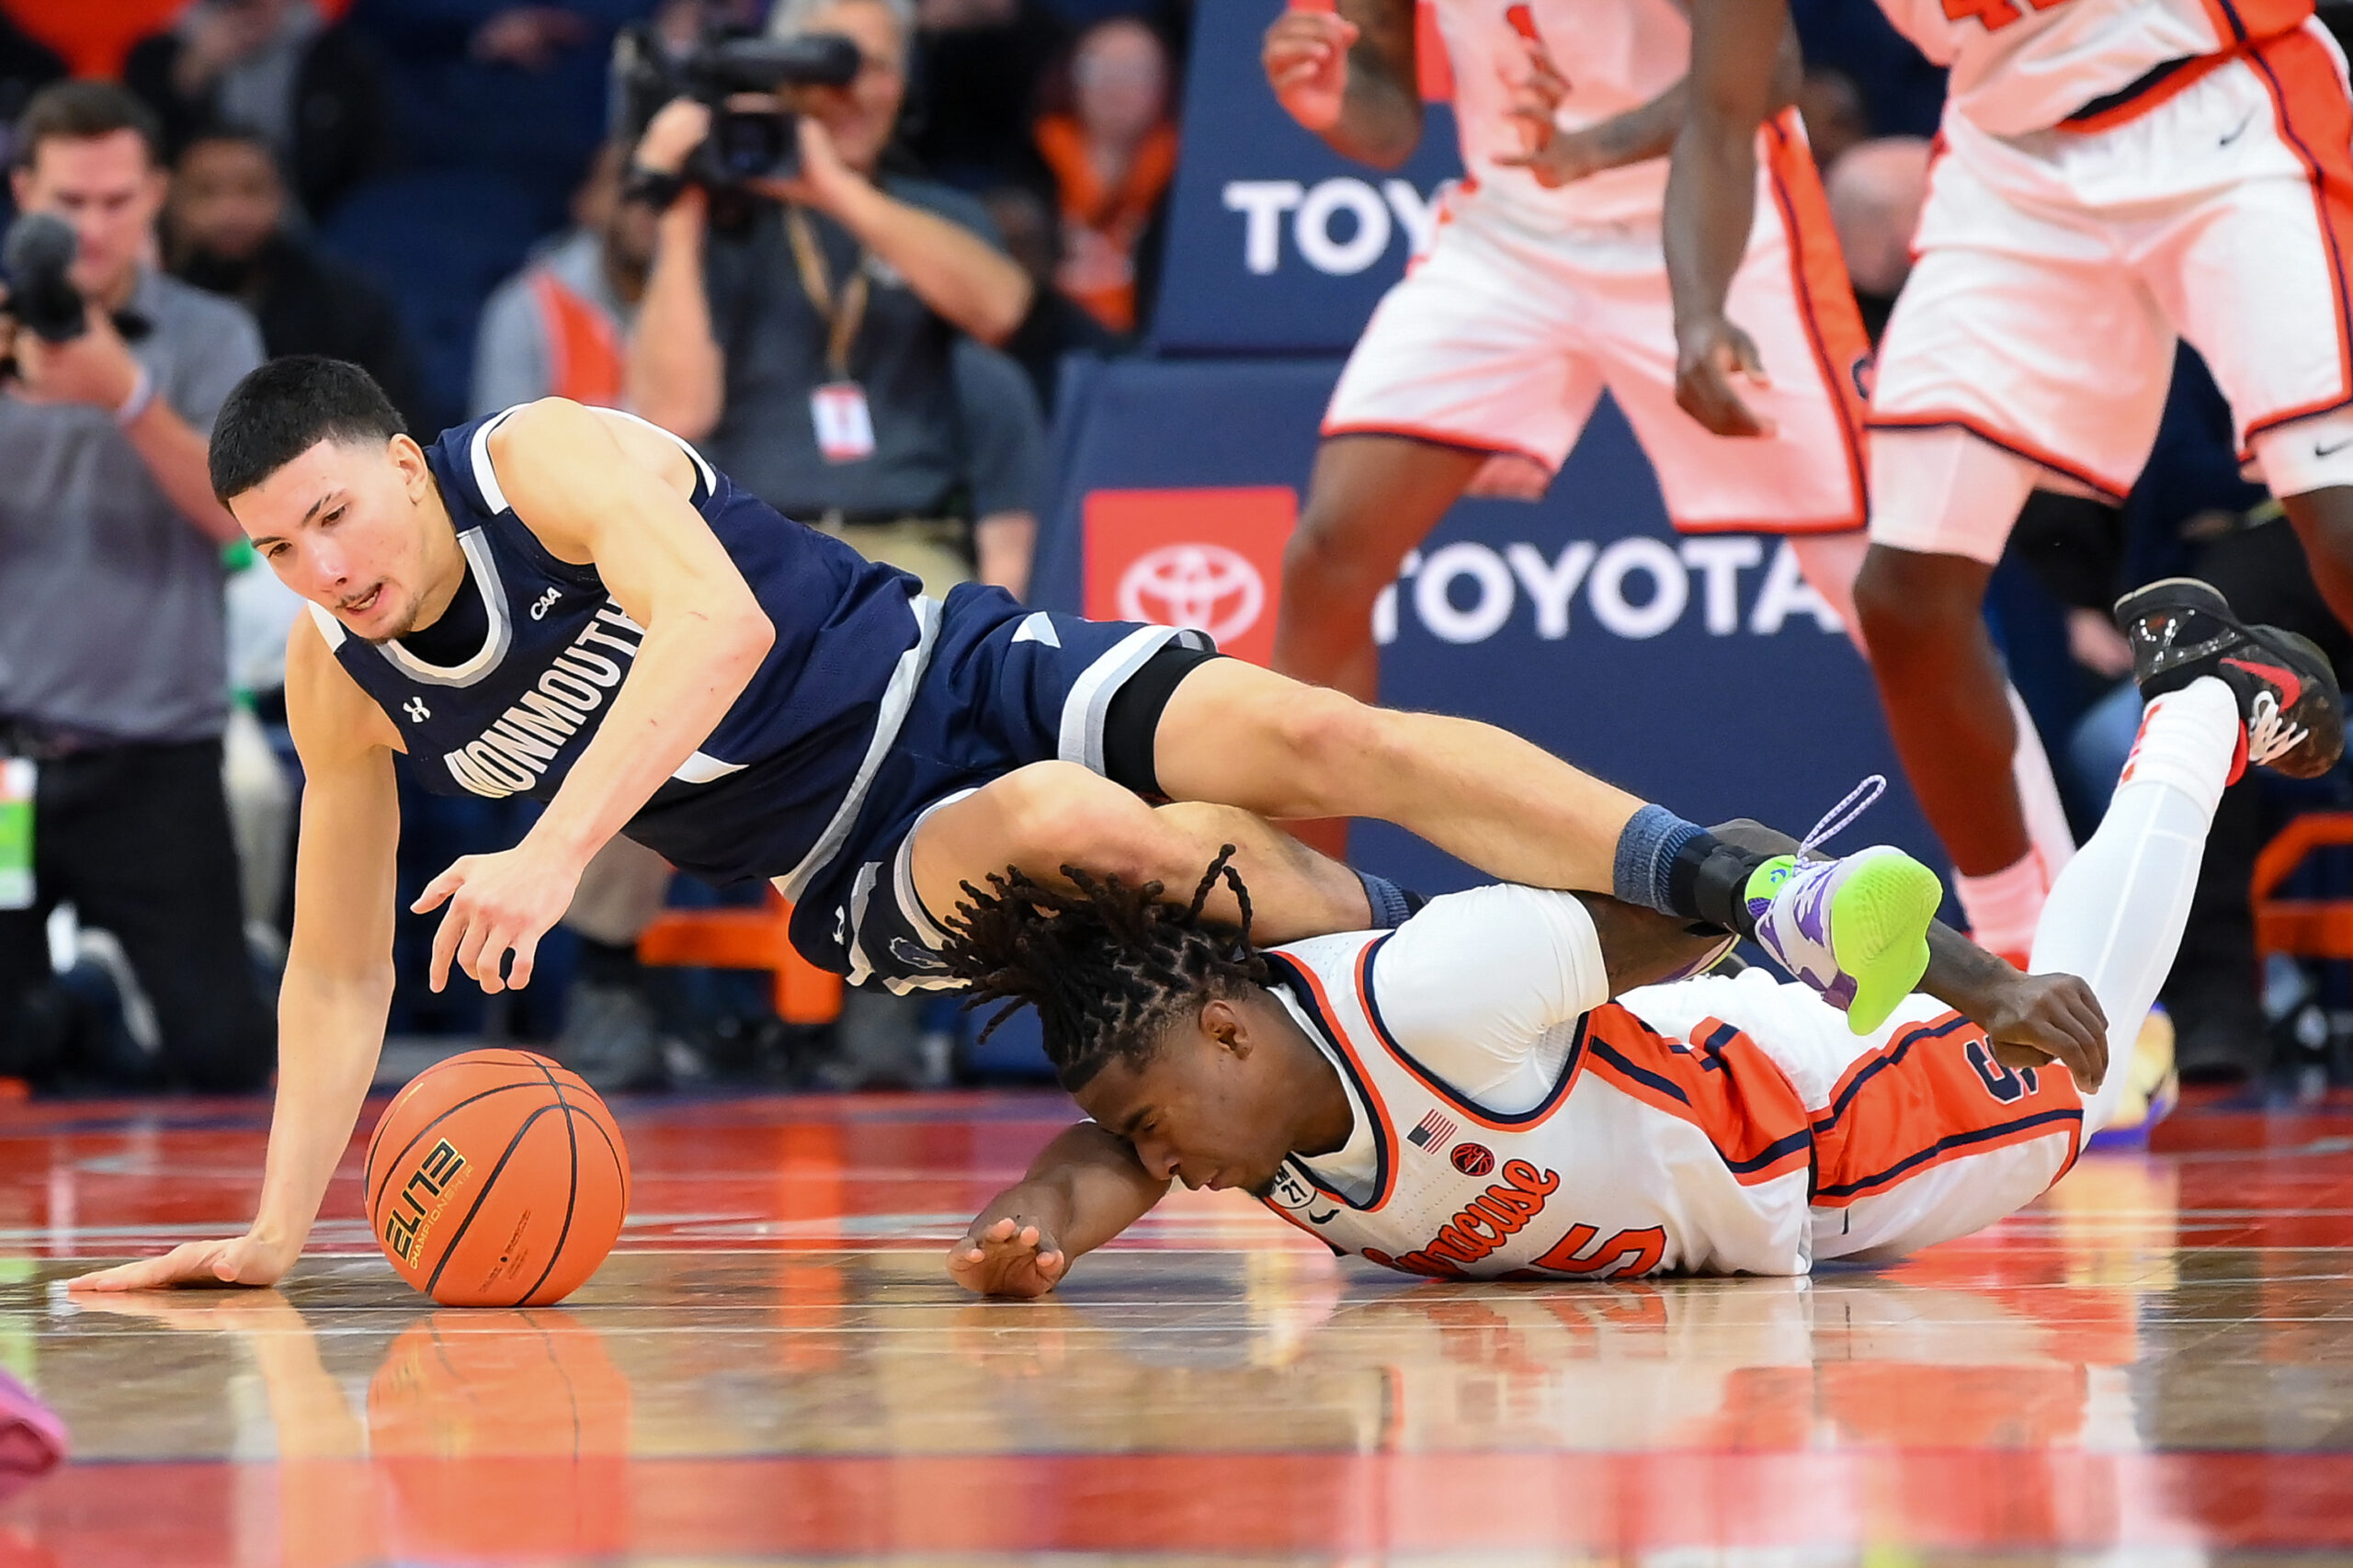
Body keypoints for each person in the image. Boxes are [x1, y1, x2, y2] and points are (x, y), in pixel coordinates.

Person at [69, 355, 1946, 1290]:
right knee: (1072, 814)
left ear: (403, 462)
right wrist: (267, 1224)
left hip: (953, 655)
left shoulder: (534, 464)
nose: (329, 569)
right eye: (281, 552)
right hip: (862, 853)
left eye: (338, 519)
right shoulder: (343, 674)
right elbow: (330, 969)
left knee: (1296, 721)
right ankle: (1405, 1014)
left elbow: (717, 625)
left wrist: (554, 851)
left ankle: (1737, 882)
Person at [943, 582, 2339, 1294]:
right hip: (1725, 1198)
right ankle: (2201, 707)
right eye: (1144, 1139)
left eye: (1155, 1122)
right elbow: (1095, 1157)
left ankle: (2211, 704)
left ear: (1228, 1025)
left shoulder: (1431, 992)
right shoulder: (1222, 1114)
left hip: (1815, 1121)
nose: (1163, 1163)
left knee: (2073, 1070)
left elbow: (1724, 881)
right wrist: (1025, 1238)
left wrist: (1988, 987)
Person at [1257, 0, 2078, 881]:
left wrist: (1591, 147)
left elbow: (1769, 71)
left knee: (1893, 591)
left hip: (1721, 215)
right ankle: (1309, 928)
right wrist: (1332, 100)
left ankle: (2046, 933)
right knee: (1330, 556)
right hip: (1511, 236)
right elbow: (1385, 115)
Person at [1663, 0, 2353, 970]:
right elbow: (1726, 100)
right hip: (2009, 158)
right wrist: (1698, 310)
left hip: (2223, 99)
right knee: (1904, 599)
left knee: (2341, 528)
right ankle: (2025, 967)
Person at [0, 84, 273, 1095]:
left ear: (157, 193)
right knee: (10, 1038)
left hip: (157, 745)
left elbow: (243, 519)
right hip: (10, 753)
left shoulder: (210, 336)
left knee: (221, 1056)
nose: (93, 226)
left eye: (118, 200)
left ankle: (108, 989)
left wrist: (126, 393)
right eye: (70, 201)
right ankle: (79, 998)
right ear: (25, 191)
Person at [627, 0, 1040, 598]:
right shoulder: (728, 225)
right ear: (783, 77)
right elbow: (674, 415)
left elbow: (1003, 310)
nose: (853, 91)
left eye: (874, 68)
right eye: (829, 69)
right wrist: (681, 210)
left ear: (902, 83)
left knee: (930, 639)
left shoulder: (940, 217)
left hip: (910, 547)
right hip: (752, 547)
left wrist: (833, 188)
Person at [168, 125, 424, 426]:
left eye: (251, 189)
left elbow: (396, 429)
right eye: (206, 192)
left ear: (282, 197)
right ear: (169, 199)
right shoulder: (140, 304)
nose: (230, 212)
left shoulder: (347, 305)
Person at [124, 0, 392, 222]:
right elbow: (139, 149)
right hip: (189, 230)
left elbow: (373, 162)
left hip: (311, 226)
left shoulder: (339, 56)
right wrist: (192, 71)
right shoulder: (157, 57)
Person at [1033, 17, 1178, 335]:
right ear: (1070, 77)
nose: (1116, 88)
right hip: (1049, 347)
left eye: (1135, 74)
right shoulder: (1031, 161)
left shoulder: (1187, 173)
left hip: (1146, 344)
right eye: (1099, 71)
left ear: (1167, 84)